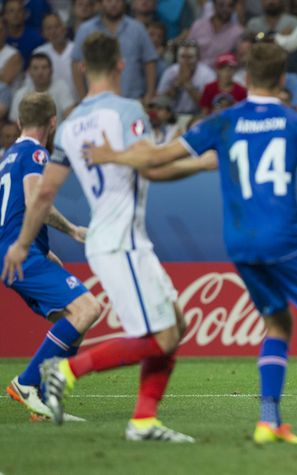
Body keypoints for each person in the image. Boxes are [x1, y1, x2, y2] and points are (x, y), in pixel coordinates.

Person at [84, 41, 297, 444]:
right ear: (282, 79)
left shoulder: (223, 121)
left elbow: (158, 159)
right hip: (285, 238)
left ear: (245, 78)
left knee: (277, 322)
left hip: (239, 244)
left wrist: (111, 156)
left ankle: (269, 421)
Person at [3, 32, 215, 441]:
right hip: (121, 240)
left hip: (117, 239)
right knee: (160, 334)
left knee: (176, 323)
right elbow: (150, 164)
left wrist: (25, 244)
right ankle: (66, 371)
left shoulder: (71, 126)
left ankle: (143, 420)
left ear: (81, 68)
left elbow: (46, 192)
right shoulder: (126, 109)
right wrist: (200, 157)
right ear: (121, 64)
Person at [1, 92, 100, 421]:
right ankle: (27, 383)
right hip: (19, 254)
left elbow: (14, 212)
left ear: (18, 122)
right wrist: (72, 229)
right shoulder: (36, 153)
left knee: (72, 318)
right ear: (53, 122)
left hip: (16, 251)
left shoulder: (9, 155)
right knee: (89, 307)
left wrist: (44, 251)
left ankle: (42, 403)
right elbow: (35, 202)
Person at [71, 0, 158, 102]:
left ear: (124, 3)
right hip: (97, 102)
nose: (113, 4)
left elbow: (149, 62)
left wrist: (149, 95)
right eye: (108, 1)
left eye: (117, 0)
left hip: (133, 100)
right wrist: (83, 98)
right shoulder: (85, 29)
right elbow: (76, 63)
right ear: (101, 3)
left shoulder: (137, 28)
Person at [9, 53, 76, 123]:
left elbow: (70, 115)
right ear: (29, 72)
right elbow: (14, 123)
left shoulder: (61, 87)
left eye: (44, 67)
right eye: (35, 68)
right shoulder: (21, 94)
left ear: (51, 71)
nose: (40, 72)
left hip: (57, 133)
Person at [157, 40, 216, 115]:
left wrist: (188, 84)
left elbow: (209, 106)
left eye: (190, 57)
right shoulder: (170, 72)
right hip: (173, 116)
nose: (186, 61)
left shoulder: (208, 74)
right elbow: (160, 102)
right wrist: (176, 85)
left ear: (198, 58)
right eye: (183, 57)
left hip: (197, 115)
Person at [186, 0, 243, 71]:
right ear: (214, 5)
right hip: (195, 72)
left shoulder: (238, 32)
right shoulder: (198, 26)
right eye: (221, 5)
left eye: (230, 6)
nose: (225, 9)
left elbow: (239, 61)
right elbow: (187, 49)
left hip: (220, 76)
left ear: (234, 8)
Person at [34, 13, 78, 101]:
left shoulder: (77, 50)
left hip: (77, 104)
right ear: (43, 33)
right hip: (49, 105)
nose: (53, 31)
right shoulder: (39, 53)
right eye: (49, 28)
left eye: (57, 26)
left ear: (65, 28)